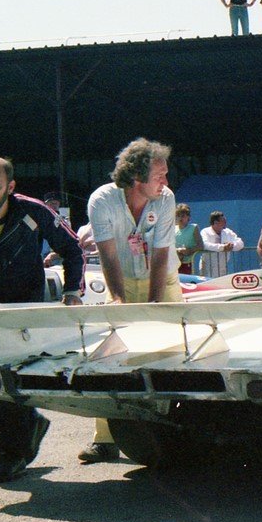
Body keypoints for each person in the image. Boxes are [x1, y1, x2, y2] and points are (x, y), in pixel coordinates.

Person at [0, 156, 85, 482]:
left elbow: (73, 248)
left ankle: (10, 454)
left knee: (15, 378)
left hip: (26, 308)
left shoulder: (34, 210)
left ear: (10, 187)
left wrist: (71, 291)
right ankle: (25, 434)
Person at [82, 138, 183, 462]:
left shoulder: (165, 199)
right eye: (159, 176)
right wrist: (119, 301)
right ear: (137, 179)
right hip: (121, 278)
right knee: (112, 354)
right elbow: (108, 256)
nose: (165, 182)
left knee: (176, 347)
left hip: (161, 276)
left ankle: (181, 427)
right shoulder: (102, 201)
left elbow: (161, 252)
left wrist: (154, 304)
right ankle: (105, 439)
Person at [200, 211, 245, 277]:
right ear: (215, 222)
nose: (225, 223)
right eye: (223, 221)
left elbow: (241, 243)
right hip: (207, 267)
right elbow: (205, 245)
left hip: (223, 267)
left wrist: (231, 246)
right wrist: (222, 247)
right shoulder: (205, 232)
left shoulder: (227, 232)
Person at [174, 203, 203, 274]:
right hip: (174, 264)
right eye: (178, 216)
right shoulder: (173, 229)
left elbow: (201, 246)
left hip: (188, 264)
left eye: (183, 216)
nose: (180, 218)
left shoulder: (193, 228)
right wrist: (177, 250)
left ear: (188, 217)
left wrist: (189, 250)